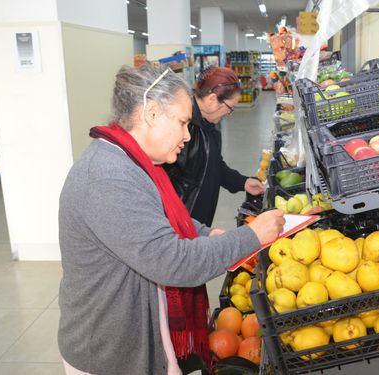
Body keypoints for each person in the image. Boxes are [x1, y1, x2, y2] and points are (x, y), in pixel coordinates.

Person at [57, 64, 284, 375]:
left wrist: (207, 233)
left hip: (139, 333)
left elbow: (164, 217)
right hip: (111, 353)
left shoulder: (134, 163)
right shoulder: (107, 176)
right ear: (151, 114)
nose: (187, 135)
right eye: (182, 123)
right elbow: (173, 263)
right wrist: (252, 236)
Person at [163, 67, 265, 226]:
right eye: (229, 107)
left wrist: (242, 182)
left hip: (200, 220)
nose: (228, 113)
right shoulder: (183, 128)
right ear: (212, 99)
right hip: (182, 223)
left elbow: (213, 164)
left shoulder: (209, 123)